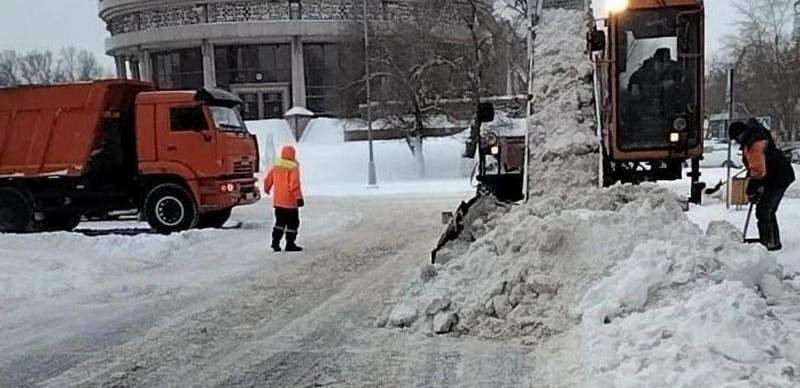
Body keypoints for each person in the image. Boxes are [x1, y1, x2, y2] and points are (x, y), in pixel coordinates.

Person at [729, 119, 795, 251]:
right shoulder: (753, 139)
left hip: (779, 178)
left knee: (764, 210)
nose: (736, 142)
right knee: (766, 210)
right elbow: (756, 169)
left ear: (741, 134)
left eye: (736, 138)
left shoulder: (754, 143)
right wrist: (756, 187)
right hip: (775, 176)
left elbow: (758, 171)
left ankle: (769, 242)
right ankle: (771, 240)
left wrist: (752, 189)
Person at [264, 145, 305, 252]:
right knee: (293, 223)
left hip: (278, 202)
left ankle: (275, 243)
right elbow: (294, 185)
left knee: (279, 223)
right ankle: (290, 244)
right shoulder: (293, 167)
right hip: (290, 203)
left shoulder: (276, 166)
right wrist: (298, 198)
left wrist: (267, 189)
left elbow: (268, 179)